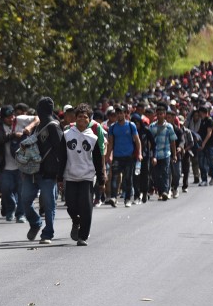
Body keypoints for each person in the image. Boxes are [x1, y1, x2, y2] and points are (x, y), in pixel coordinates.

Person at [18, 97, 66, 244]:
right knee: (25, 199)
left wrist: (60, 174)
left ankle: (48, 233)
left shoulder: (53, 126)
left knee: (48, 203)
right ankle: (35, 223)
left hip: (48, 173)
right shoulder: (38, 126)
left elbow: (61, 151)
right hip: (32, 172)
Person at [63, 104, 97, 246]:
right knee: (71, 205)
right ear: (75, 119)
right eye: (80, 116)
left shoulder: (93, 138)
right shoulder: (66, 135)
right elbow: (62, 156)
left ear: (89, 120)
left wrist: (101, 177)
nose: (82, 119)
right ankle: (75, 221)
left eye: (85, 117)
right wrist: (59, 177)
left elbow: (98, 159)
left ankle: (82, 236)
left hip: (87, 176)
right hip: (70, 175)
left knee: (86, 206)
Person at [105, 106, 141, 207]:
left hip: (129, 157)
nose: (119, 115)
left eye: (121, 113)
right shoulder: (112, 128)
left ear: (125, 113)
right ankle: (114, 197)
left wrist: (139, 153)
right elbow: (110, 143)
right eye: (117, 113)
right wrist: (108, 156)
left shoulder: (131, 125)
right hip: (117, 156)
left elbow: (137, 141)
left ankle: (128, 199)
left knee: (128, 179)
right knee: (114, 177)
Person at [146, 105, 177, 200]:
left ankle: (165, 192)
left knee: (165, 173)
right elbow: (149, 142)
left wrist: (174, 154)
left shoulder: (169, 127)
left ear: (164, 115)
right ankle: (160, 192)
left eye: (161, 114)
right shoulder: (152, 126)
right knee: (156, 175)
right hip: (155, 155)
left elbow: (173, 142)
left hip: (165, 154)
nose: (159, 116)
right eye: (158, 114)